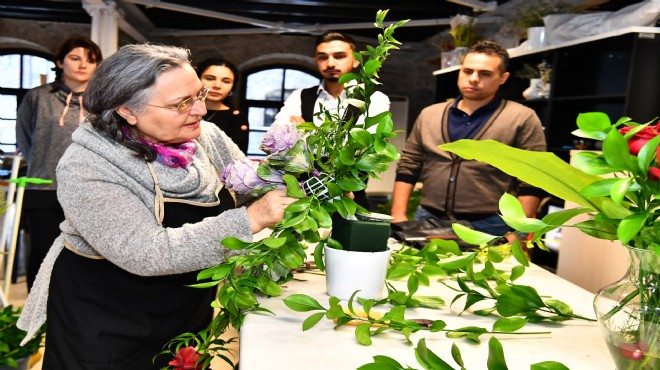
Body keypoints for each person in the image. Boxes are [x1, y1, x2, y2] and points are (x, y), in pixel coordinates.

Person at [17, 43, 296, 369]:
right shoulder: (87, 165)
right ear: (126, 110)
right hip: (106, 318)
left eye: (199, 94)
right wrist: (250, 219)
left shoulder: (205, 136)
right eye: (181, 104)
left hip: (184, 308)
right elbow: (147, 252)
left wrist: (299, 173)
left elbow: (248, 187)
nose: (200, 110)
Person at [390, 40, 547, 236]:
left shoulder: (521, 117)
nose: (473, 79)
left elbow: (532, 178)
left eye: (485, 74)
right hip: (428, 218)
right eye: (467, 71)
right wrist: (398, 213)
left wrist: (519, 232)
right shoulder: (430, 114)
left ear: (503, 78)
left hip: (489, 224)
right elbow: (409, 164)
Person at [15, 35, 103, 292]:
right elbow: (24, 136)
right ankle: (37, 319)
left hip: (90, 191)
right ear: (59, 62)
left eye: (90, 60)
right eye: (75, 58)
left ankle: (76, 317)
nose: (82, 65)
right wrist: (43, 164)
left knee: (84, 257)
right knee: (42, 255)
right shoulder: (37, 97)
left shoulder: (103, 102)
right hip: (44, 188)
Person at [272, 31, 390, 209]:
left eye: (339, 56)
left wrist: (304, 132)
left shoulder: (373, 98)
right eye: (323, 57)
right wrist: (336, 141)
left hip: (350, 199)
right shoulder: (300, 96)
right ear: (315, 61)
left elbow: (362, 151)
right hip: (299, 197)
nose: (330, 63)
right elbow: (277, 140)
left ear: (356, 60)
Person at [196, 57, 250, 154]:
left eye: (226, 81)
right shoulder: (182, 110)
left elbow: (237, 160)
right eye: (210, 79)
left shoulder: (236, 119)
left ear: (232, 87)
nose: (217, 85)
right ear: (197, 79)